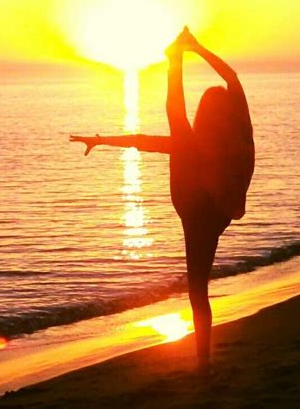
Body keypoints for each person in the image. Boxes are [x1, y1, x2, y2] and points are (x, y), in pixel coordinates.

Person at [70, 27, 255, 372]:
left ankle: (173, 62)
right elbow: (231, 77)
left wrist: (187, 52)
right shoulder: (241, 130)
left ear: (208, 115)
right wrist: (197, 48)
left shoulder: (198, 143)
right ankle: (203, 361)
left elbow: (149, 140)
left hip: (196, 206)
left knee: (178, 132)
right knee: (198, 289)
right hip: (219, 212)